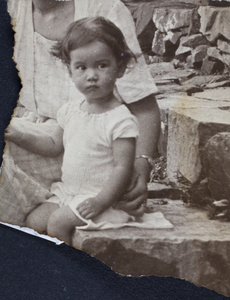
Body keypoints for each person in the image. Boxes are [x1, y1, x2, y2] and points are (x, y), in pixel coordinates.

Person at [1, 0, 160, 226]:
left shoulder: (104, 9)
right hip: (38, 134)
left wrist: (140, 167)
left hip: (85, 144)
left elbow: (143, 106)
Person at [25, 17, 140, 244]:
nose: (91, 75)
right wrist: (17, 134)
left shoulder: (120, 119)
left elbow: (122, 167)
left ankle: (69, 273)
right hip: (69, 192)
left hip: (102, 198)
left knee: (58, 223)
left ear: (120, 68)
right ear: (70, 71)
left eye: (102, 65)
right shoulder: (70, 110)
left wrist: (101, 201)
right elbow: (54, 144)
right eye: (81, 67)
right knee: (33, 221)